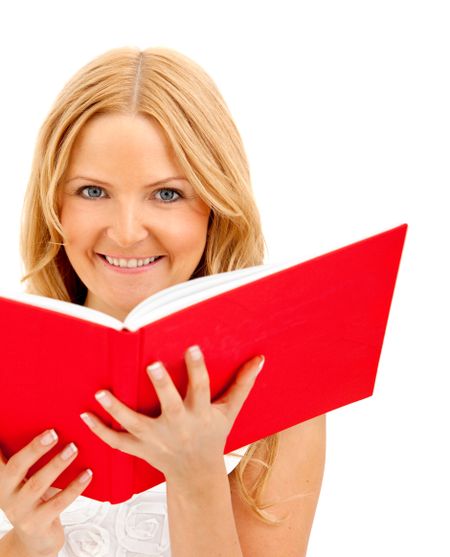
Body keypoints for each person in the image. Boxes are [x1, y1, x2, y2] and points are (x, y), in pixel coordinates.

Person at [0, 46, 326, 557]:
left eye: (167, 194)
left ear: (216, 206)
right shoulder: (10, 361)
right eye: (92, 191)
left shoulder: (284, 392)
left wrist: (196, 479)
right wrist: (29, 541)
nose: (127, 233)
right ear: (53, 203)